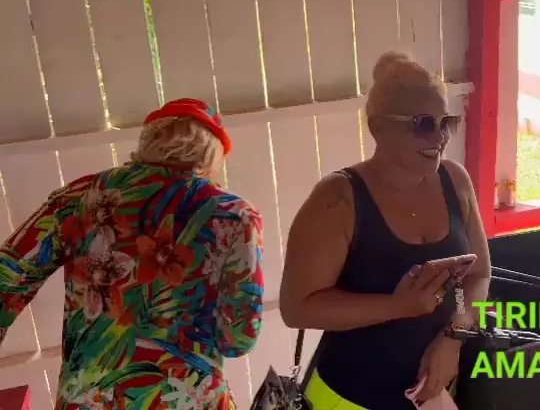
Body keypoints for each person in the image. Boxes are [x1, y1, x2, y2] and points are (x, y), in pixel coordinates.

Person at [0, 98, 264, 409]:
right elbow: (239, 339)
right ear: (212, 154)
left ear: (149, 140)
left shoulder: (80, 196)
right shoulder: (234, 215)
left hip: (91, 399)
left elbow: (9, 276)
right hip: (186, 399)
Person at [280, 51, 492, 409]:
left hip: (433, 398)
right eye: (424, 123)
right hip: (348, 398)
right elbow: (297, 309)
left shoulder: (455, 181)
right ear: (377, 127)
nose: (440, 136)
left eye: (446, 122)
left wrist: (454, 335)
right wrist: (397, 306)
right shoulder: (338, 199)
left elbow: (476, 275)